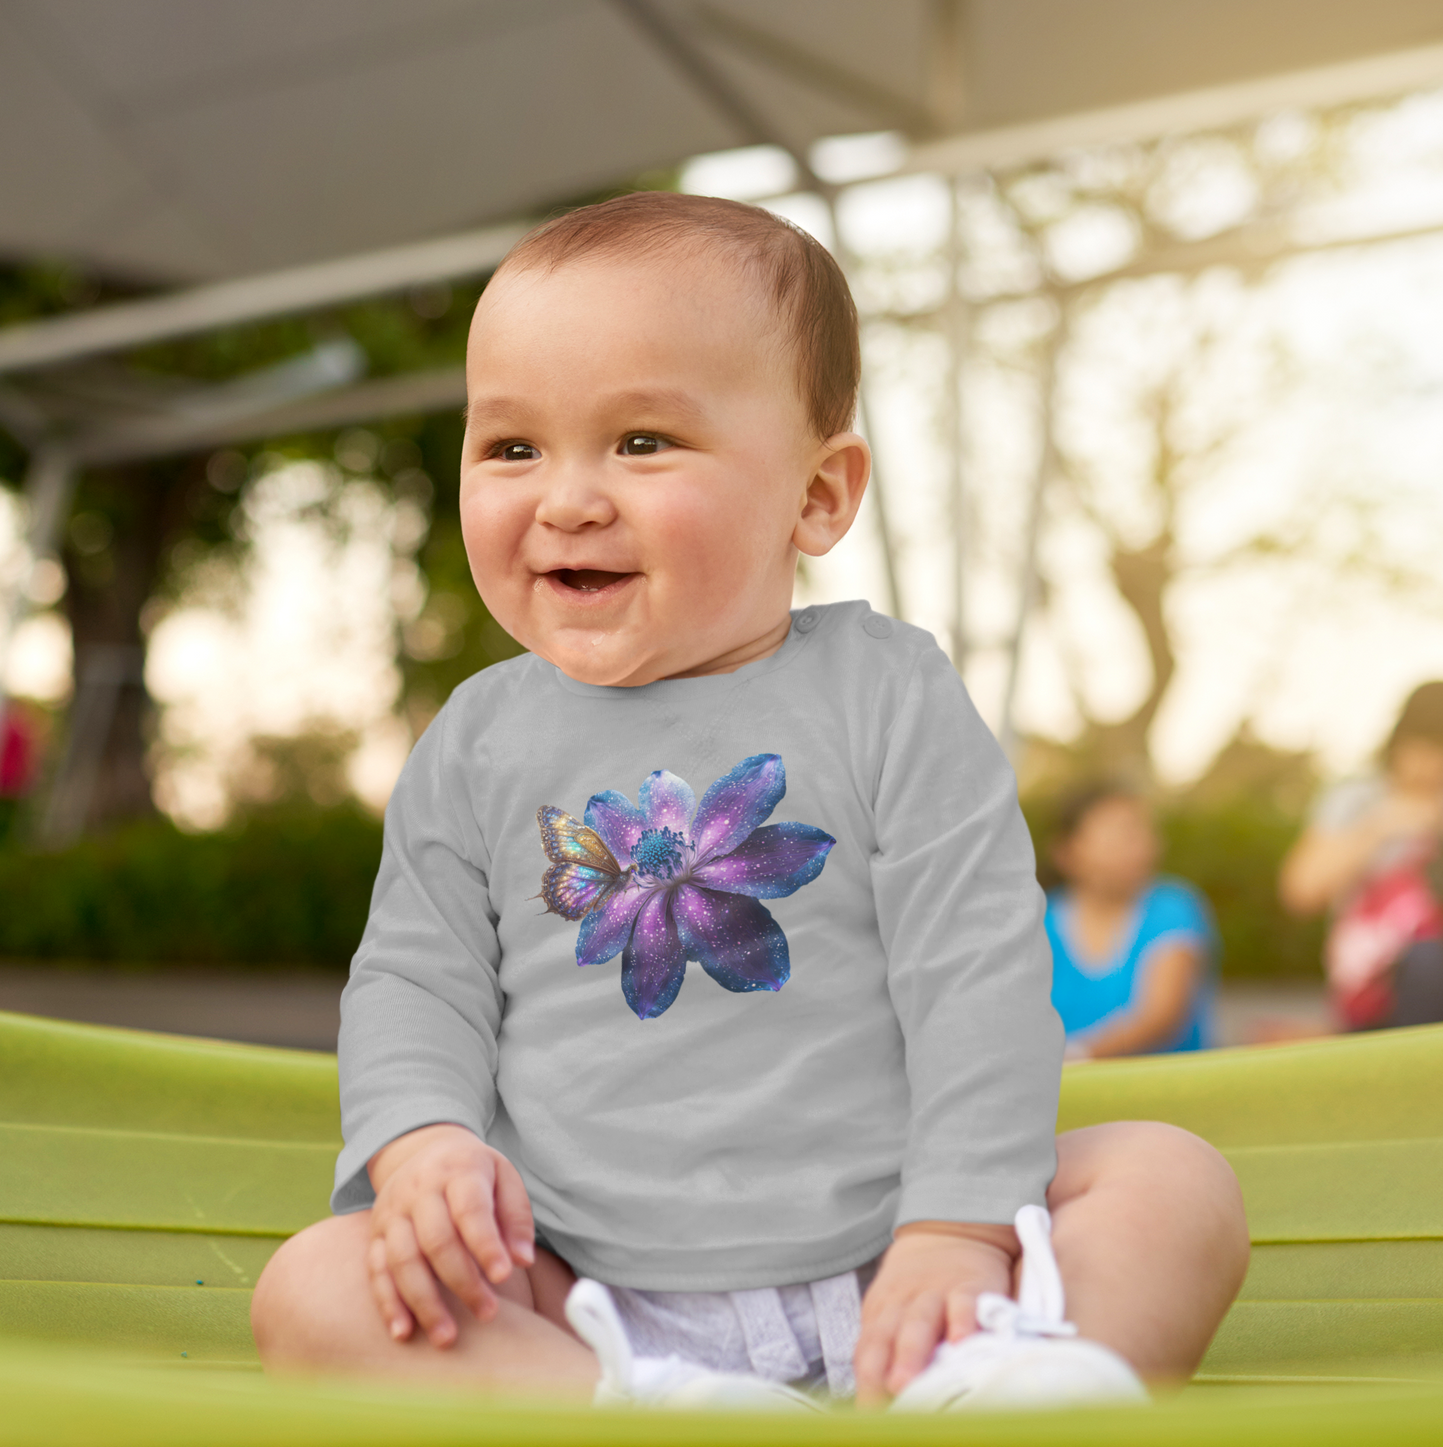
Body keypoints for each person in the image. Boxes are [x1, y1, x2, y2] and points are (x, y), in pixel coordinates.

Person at [250, 193, 1248, 1411]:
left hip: (903, 1257)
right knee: (314, 1286)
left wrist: (958, 1223)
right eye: (512, 448)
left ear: (817, 497)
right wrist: (422, 1147)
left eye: (641, 442)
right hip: (584, 1294)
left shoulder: (887, 694)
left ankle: (1006, 1379)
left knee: (1171, 1184)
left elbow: (974, 973)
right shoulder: (474, 742)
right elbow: (415, 980)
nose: (566, 497)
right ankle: (639, 1410)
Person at [1280, 682, 1443, 1030]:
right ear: (1400, 742)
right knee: (1429, 963)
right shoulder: (1358, 799)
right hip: (1374, 993)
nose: (1433, 765)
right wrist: (1382, 825)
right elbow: (1301, 891)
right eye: (1427, 748)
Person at [1043, 784, 1216, 1058]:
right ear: (1067, 851)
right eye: (1122, 834)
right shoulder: (1038, 922)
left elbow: (1160, 1017)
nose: (1143, 847)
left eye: (1143, 833)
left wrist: (1073, 1056)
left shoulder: (1174, 907)